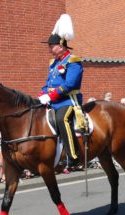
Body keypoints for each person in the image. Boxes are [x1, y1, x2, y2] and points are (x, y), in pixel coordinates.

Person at [38, 14, 83, 168]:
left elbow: (70, 84)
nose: (50, 49)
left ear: (61, 46)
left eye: (52, 46)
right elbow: (48, 82)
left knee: (61, 118)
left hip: (69, 101)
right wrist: (42, 94)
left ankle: (73, 156)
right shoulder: (53, 63)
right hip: (54, 100)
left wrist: (51, 95)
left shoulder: (73, 61)